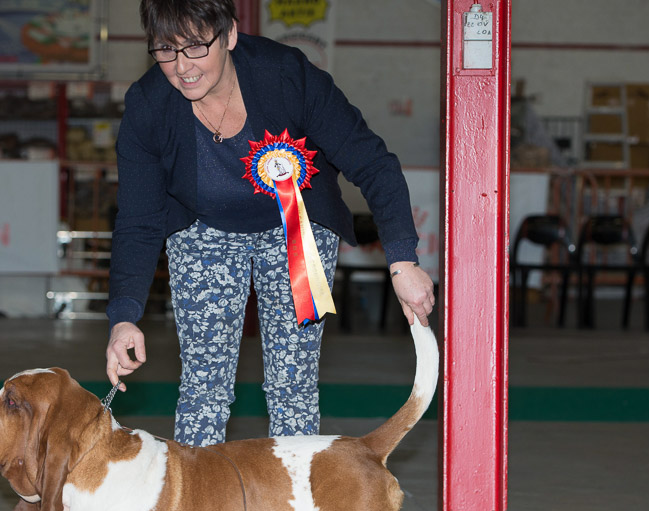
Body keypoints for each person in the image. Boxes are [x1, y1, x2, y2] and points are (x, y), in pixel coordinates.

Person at [105, 0, 435, 448]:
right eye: (165, 50)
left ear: (229, 36)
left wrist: (402, 260)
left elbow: (374, 164)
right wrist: (124, 316)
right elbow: (139, 219)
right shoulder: (148, 104)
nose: (182, 67)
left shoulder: (286, 76)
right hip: (204, 231)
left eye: (196, 47)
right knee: (203, 384)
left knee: (293, 383)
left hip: (296, 227)